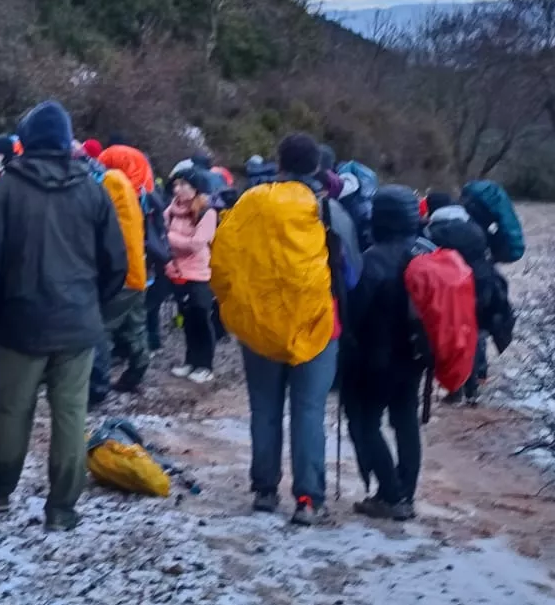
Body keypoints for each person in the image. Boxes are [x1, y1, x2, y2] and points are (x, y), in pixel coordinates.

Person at [0, 101, 127, 532]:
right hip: (76, 323)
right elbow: (117, 263)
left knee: (12, 412)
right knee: (71, 415)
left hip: (18, 321)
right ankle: (62, 508)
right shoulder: (94, 190)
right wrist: (92, 303)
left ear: (26, 141)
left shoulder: (5, 189)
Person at [212, 133, 354, 526]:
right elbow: (352, 275)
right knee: (308, 411)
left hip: (259, 325)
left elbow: (222, 261)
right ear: (317, 169)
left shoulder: (250, 202)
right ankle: (308, 499)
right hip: (315, 325)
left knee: (265, 409)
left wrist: (233, 308)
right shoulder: (328, 210)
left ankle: (264, 491)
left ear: (279, 164)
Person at [344, 186, 431, 520]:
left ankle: (390, 495)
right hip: (415, 357)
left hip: (375, 360)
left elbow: (356, 311)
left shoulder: (373, 258)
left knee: (366, 425)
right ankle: (405, 493)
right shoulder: (427, 251)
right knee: (406, 421)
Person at [424, 190, 516, 404]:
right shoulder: (473, 227)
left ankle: (455, 389)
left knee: (454, 339)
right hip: (484, 287)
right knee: (475, 334)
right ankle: (475, 384)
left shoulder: (434, 232)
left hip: (457, 290)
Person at [98, 145, 157, 395]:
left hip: (120, 273)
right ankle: (136, 373)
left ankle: (96, 386)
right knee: (136, 326)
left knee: (101, 329)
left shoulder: (113, 182)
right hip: (137, 271)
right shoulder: (135, 191)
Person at [164, 169, 220, 383]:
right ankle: (190, 360)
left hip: (199, 274)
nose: (176, 189)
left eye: (182, 184)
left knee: (201, 319)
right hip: (177, 272)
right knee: (186, 319)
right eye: (176, 185)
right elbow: (162, 232)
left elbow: (197, 243)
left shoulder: (206, 212)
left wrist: (170, 237)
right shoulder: (171, 210)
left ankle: (205, 365)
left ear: (195, 188)